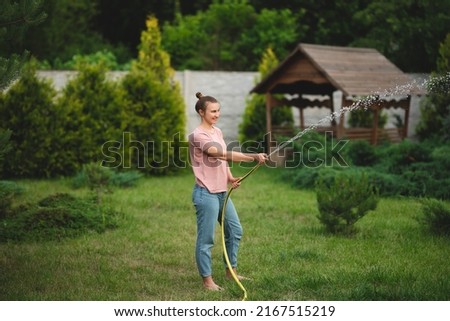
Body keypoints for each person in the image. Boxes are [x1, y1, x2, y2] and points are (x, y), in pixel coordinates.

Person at [188, 92, 268, 291]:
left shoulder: (217, 132)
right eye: (213, 111)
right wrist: (252, 157)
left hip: (222, 192)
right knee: (207, 239)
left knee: (235, 231)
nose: (217, 114)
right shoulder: (198, 135)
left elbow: (222, 161)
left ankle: (230, 271)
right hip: (206, 193)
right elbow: (222, 153)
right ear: (201, 112)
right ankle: (207, 281)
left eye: (218, 110)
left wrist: (229, 177)